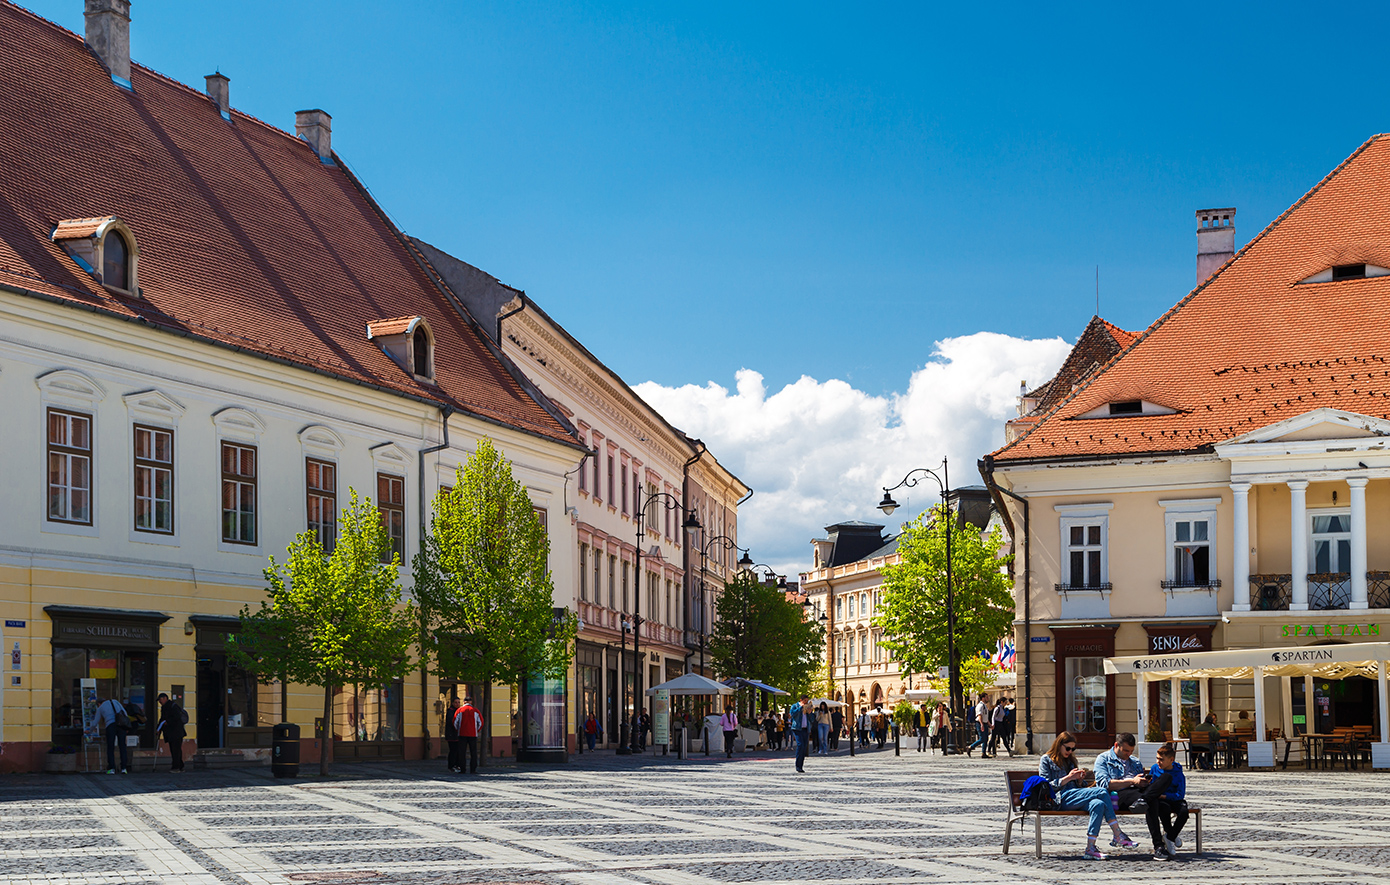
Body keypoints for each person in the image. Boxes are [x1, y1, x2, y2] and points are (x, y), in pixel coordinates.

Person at [1040, 731, 1139, 860]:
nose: (1070, 751)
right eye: (1067, 748)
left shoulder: (1070, 761)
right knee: (1102, 791)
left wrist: (1080, 781)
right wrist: (1068, 778)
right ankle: (1117, 833)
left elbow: (1079, 787)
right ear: (1059, 745)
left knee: (1099, 804)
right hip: (1059, 798)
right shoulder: (1046, 760)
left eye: (1073, 749)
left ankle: (1090, 848)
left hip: (1074, 797)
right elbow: (1046, 786)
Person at [1143, 742, 1189, 859]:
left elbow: (1180, 793)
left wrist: (1165, 796)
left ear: (1171, 760)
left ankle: (1170, 836)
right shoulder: (1155, 769)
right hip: (1160, 801)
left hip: (1173, 798)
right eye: (1157, 758)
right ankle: (1169, 834)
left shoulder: (1178, 773)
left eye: (1161, 760)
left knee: (1184, 813)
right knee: (1164, 808)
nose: (1158, 762)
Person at [1095, 733, 1150, 814]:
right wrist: (1132, 781)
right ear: (1116, 745)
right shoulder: (1103, 759)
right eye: (1126, 751)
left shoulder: (1135, 761)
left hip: (1138, 792)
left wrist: (1142, 782)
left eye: (1131, 751)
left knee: (1162, 804)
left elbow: (1139, 781)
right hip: (1116, 795)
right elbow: (1105, 784)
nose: (1129, 754)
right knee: (1150, 800)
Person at [95, 695, 131, 774]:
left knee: (110, 747)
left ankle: (112, 768)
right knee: (122, 746)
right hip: (121, 725)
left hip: (110, 726)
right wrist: (126, 726)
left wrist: (89, 730)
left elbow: (96, 721)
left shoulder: (100, 708)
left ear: (99, 703)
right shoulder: (115, 701)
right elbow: (124, 713)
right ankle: (124, 768)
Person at [155, 693, 186, 773]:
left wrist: (168, 722)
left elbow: (177, 717)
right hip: (171, 732)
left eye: (160, 700)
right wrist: (159, 728)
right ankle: (180, 766)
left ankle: (176, 767)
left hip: (176, 732)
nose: (159, 702)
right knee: (175, 750)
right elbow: (162, 719)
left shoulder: (173, 706)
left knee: (176, 750)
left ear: (165, 698)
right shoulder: (165, 707)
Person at [454, 695, 483, 774]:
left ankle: (462, 769)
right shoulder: (475, 711)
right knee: (473, 752)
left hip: (462, 734)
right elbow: (480, 723)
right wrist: (476, 730)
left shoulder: (459, 710)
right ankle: (473, 769)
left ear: (464, 702)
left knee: (462, 752)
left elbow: (455, 722)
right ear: (471, 702)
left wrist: (458, 730)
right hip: (473, 734)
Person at [789, 693, 812, 772]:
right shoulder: (795, 706)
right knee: (800, 745)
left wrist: (810, 713)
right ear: (801, 700)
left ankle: (801, 766)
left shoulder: (808, 707)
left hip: (805, 729)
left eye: (807, 701)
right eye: (805, 701)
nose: (806, 702)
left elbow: (812, 720)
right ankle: (798, 765)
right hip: (797, 728)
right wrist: (800, 708)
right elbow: (792, 714)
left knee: (804, 747)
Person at [444, 698, 462, 772]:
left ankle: (457, 765)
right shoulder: (451, 711)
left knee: (458, 750)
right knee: (453, 751)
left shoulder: (459, 710)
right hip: (452, 734)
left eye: (458, 702)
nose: (457, 704)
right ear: (452, 703)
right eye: (455, 702)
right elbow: (451, 722)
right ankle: (451, 765)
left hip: (457, 734)